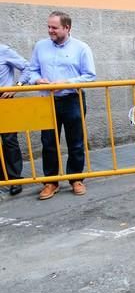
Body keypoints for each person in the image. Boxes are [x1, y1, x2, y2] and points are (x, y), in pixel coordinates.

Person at [29, 11, 96, 200]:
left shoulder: (82, 48)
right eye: (48, 27)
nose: (50, 30)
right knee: (48, 142)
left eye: (54, 27)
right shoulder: (40, 46)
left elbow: (90, 75)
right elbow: (31, 69)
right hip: (46, 101)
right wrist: (37, 80)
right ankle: (50, 182)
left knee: (75, 141)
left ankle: (76, 179)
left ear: (67, 28)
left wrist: (65, 82)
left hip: (71, 99)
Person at [0, 44, 30, 196]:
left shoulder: (3, 50)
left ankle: (14, 179)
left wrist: (16, 86)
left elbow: (27, 67)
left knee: (9, 140)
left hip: (4, 101)